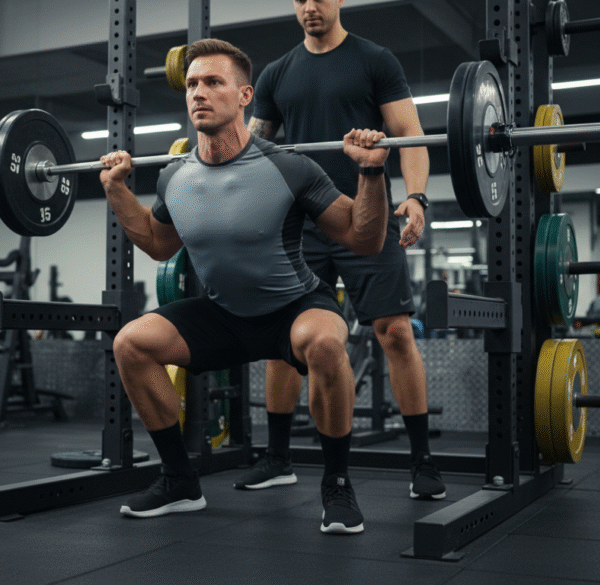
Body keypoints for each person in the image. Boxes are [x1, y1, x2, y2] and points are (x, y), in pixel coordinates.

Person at [99, 38, 392, 534]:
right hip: (224, 315)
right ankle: (179, 481)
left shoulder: (289, 166)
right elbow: (156, 243)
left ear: (244, 96)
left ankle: (337, 484)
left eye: (213, 82)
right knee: (130, 344)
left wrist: (371, 174)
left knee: (324, 342)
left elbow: (364, 239)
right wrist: (116, 192)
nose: (198, 92)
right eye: (192, 83)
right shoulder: (175, 177)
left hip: (294, 306)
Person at [238, 0, 445, 500]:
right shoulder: (276, 74)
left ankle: (422, 461)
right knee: (285, 342)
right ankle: (279, 458)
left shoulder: (375, 60)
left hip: (366, 217)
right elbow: (251, 149)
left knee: (394, 331)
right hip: (300, 224)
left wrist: (416, 197)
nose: (310, 6)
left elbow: (409, 135)